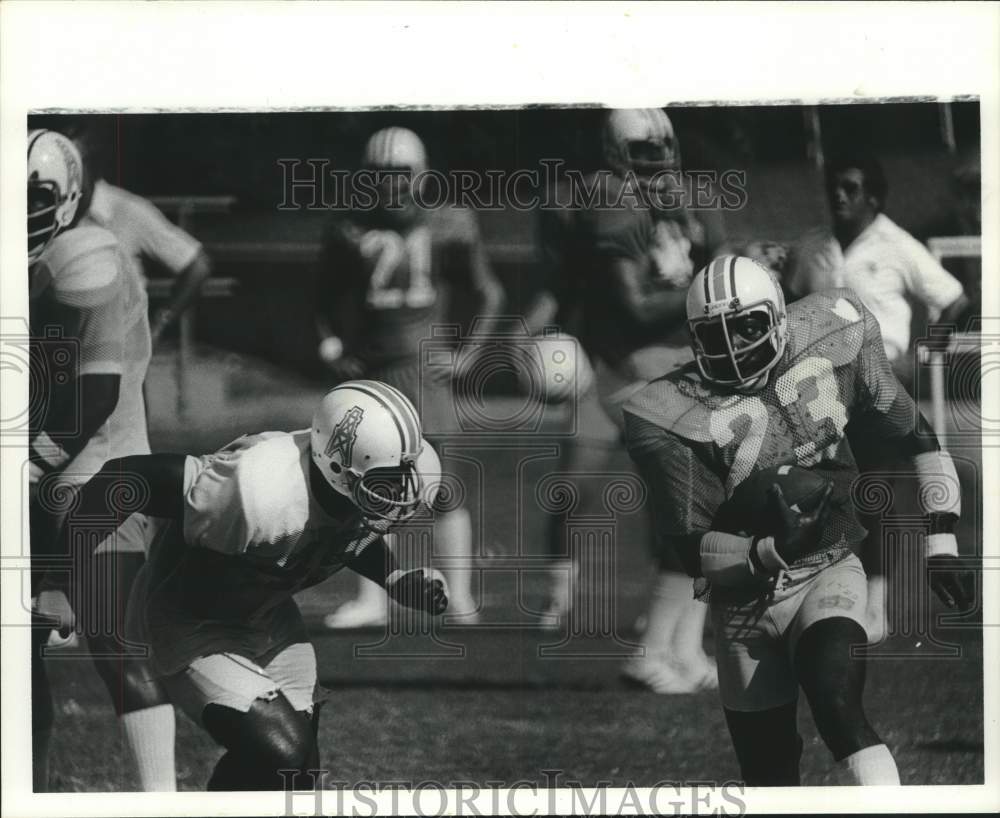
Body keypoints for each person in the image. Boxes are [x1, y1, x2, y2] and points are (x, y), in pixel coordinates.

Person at [623, 255, 974, 785]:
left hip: (828, 564)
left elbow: (916, 437)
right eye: (717, 334)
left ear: (779, 317)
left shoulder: (837, 328)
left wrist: (941, 545)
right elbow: (688, 549)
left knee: (837, 703)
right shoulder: (665, 412)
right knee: (769, 773)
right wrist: (768, 550)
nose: (736, 346)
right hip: (742, 600)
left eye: (747, 326)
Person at [39, 381, 449, 791]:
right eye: (388, 480)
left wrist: (395, 578)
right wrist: (59, 582)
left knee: (297, 770)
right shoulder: (256, 490)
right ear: (339, 467)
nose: (401, 492)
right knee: (284, 751)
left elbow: (345, 532)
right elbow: (119, 481)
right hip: (191, 618)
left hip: (267, 613)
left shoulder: (344, 491)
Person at [529, 108, 726, 692]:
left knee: (706, 516)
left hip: (685, 370)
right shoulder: (611, 203)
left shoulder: (689, 198)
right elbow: (636, 308)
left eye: (664, 146)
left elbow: (717, 253)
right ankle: (648, 652)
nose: (660, 159)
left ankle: (684, 651)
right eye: (644, 150)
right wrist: (710, 293)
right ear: (617, 155)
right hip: (638, 373)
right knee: (693, 518)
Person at [27, 129, 175, 791]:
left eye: (35, 196)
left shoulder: (87, 253)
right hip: (34, 473)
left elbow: (96, 392)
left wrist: (31, 465)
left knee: (113, 636)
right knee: (18, 649)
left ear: (71, 197)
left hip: (100, 469)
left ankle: (162, 795)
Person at [316, 126, 504, 628]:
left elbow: (489, 292)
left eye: (399, 175)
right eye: (380, 176)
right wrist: (331, 345)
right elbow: (321, 295)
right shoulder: (348, 229)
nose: (390, 185)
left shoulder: (450, 224)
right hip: (375, 372)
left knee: (446, 485)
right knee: (366, 486)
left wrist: (467, 354)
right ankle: (373, 599)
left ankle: (459, 594)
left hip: (426, 369)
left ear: (419, 176)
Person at [784, 153, 970, 642]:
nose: (839, 195)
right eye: (834, 186)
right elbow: (788, 300)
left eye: (850, 187)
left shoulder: (895, 244)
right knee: (820, 493)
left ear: (873, 197)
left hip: (878, 385)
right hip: (819, 391)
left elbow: (952, 296)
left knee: (875, 496)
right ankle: (819, 599)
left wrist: (920, 356)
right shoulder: (813, 247)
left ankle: (876, 610)